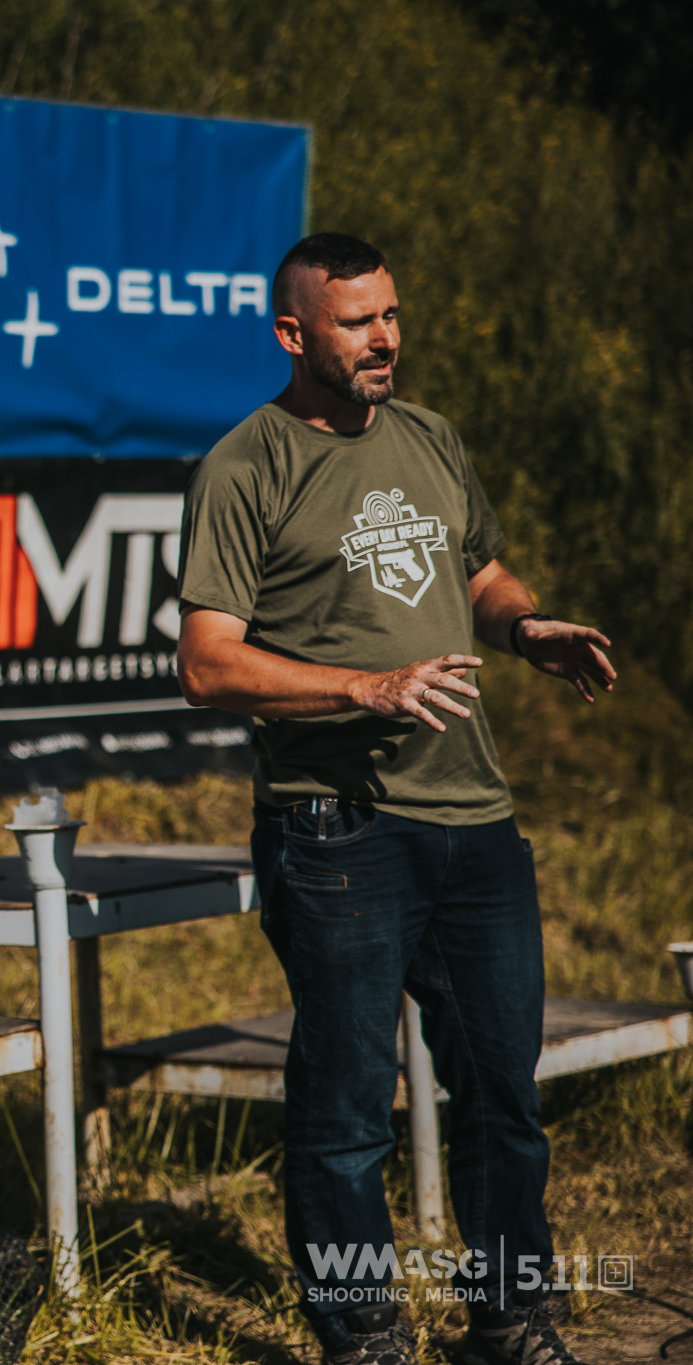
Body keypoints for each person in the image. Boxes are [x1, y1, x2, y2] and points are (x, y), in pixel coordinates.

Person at [176, 233, 613, 1365]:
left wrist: (522, 626)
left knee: (501, 1097)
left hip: (472, 823)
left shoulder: (427, 437)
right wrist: (360, 687)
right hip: (337, 831)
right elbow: (208, 663)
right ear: (292, 335)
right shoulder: (244, 466)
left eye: (390, 315)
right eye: (358, 321)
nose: (385, 338)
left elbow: (474, 571)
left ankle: (509, 1321)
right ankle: (360, 1336)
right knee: (345, 1113)